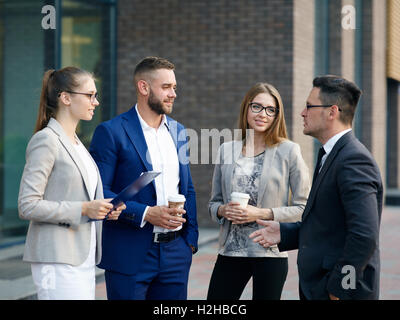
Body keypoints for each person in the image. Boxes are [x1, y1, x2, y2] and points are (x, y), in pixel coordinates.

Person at [250, 75, 383, 300]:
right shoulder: (331, 154)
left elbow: (364, 235)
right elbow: (328, 225)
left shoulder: (354, 160)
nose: (302, 112)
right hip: (319, 286)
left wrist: (339, 288)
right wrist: (284, 233)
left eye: (309, 106)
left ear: (332, 112)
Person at [89, 56, 198, 300]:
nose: (173, 94)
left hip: (176, 254)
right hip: (129, 253)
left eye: (174, 88)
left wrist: (189, 242)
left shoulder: (179, 131)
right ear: (143, 87)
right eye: (166, 87)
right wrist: (146, 213)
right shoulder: (111, 131)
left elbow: (187, 187)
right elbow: (99, 192)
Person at [18, 67, 125, 300]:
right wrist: (85, 209)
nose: (95, 102)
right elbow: (27, 205)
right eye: (90, 95)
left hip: (82, 255)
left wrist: (103, 208)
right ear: (65, 98)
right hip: (57, 257)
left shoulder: (77, 143)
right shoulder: (46, 140)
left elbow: (79, 197)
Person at [207, 82, 310, 300]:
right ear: (246, 108)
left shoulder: (289, 151)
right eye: (257, 107)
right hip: (231, 251)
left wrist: (260, 213)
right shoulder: (227, 150)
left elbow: (304, 208)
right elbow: (213, 204)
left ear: (276, 116)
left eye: (270, 110)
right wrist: (224, 210)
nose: (263, 114)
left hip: (269, 251)